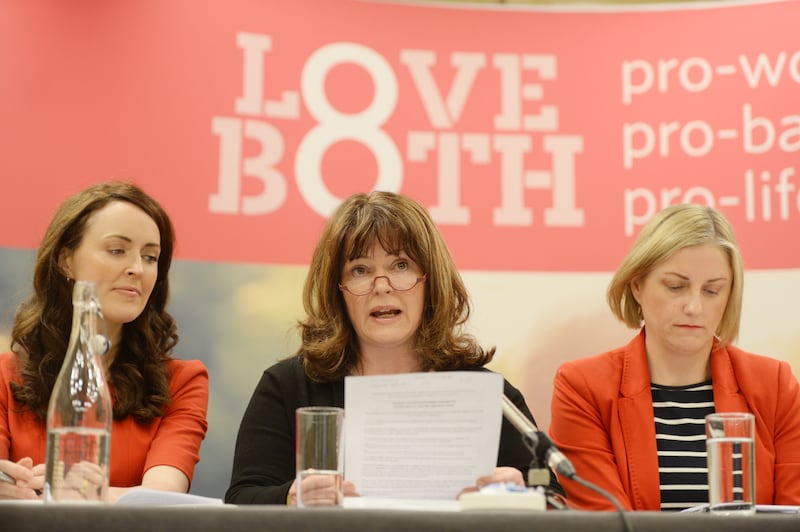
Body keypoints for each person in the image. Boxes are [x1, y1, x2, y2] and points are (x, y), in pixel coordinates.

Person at [225, 190, 561, 505]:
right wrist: (290, 495)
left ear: (431, 279)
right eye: (360, 270)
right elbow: (241, 499)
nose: (381, 287)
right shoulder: (289, 387)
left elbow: (555, 500)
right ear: (337, 290)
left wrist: (521, 493)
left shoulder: (491, 396)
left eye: (401, 265)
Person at [549, 203, 800, 511]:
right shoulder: (583, 387)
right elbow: (607, 521)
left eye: (712, 291)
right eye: (676, 286)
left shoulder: (775, 385)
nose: (694, 306)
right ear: (637, 285)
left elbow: (792, 517)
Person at [0, 181, 209, 502]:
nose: (137, 269)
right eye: (117, 251)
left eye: (151, 257)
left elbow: (161, 500)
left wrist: (52, 493)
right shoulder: (4, 374)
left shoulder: (182, 381)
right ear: (65, 260)